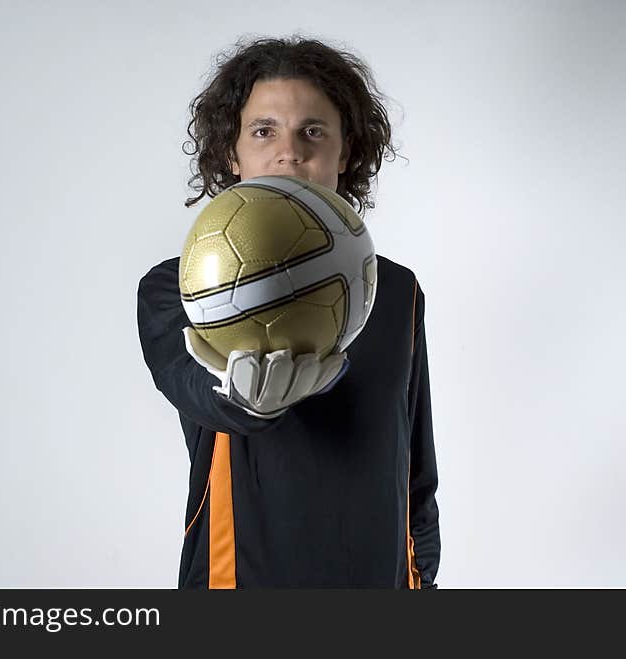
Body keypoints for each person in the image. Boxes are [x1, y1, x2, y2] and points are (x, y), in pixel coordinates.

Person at [136, 35, 440, 588]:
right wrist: (242, 401)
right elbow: (190, 387)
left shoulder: (396, 290)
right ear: (233, 152)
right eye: (263, 130)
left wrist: (425, 585)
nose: (289, 151)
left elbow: (416, 472)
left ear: (345, 153)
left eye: (313, 132)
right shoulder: (181, 285)